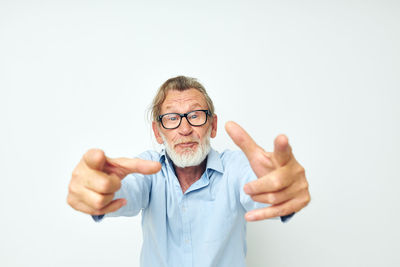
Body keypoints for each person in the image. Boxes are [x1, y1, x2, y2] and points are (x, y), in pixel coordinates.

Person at [67, 76, 310, 267]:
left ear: (212, 126)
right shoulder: (147, 169)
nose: (184, 128)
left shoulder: (235, 167)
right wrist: (99, 189)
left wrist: (283, 188)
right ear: (157, 131)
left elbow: (263, 185)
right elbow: (123, 188)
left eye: (195, 115)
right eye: (172, 118)